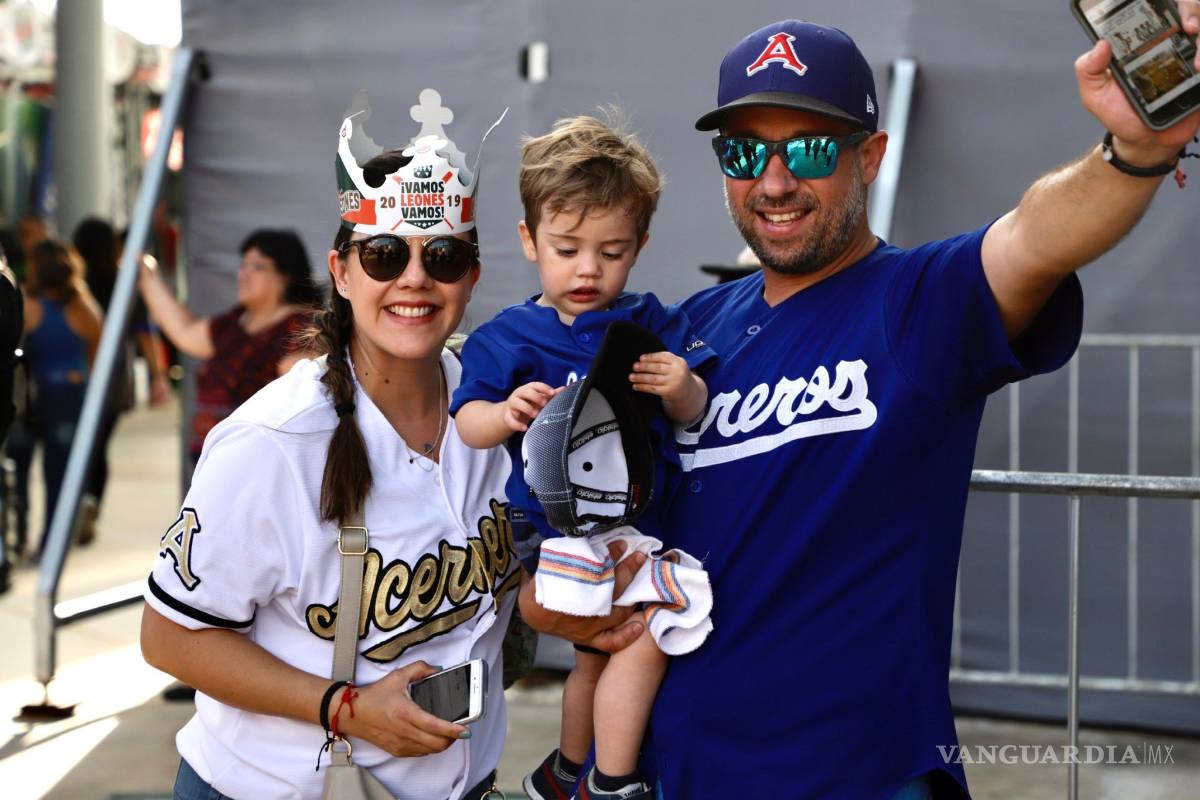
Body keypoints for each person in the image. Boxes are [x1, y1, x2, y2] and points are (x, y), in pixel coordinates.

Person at [519, 17, 1200, 800]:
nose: (773, 181)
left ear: (869, 156)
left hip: (861, 776)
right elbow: (599, 519)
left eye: (808, 149)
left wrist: (1134, 153)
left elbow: (1037, 239)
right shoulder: (686, 331)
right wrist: (554, 603)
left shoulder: (916, 302)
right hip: (675, 772)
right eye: (745, 152)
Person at [139, 89, 518, 800]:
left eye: (441, 255)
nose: (413, 278)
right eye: (383, 254)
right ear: (341, 272)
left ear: (471, 276)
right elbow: (169, 637)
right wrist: (347, 709)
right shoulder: (270, 443)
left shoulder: (497, 413)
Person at [451, 116, 716, 800]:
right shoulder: (510, 336)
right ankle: (611, 781)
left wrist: (681, 387)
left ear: (640, 247)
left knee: (599, 656)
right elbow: (467, 424)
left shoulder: (651, 323)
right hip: (551, 529)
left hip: (634, 526)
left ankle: (566, 773)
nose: (588, 269)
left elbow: (695, 410)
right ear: (529, 241)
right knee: (649, 633)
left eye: (612, 251)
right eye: (566, 249)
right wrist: (505, 413)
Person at [137, 227, 322, 468]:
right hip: (216, 462)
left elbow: (304, 397)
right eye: (243, 265)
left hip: (258, 466)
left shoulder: (300, 328)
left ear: (285, 275)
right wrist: (148, 276)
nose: (243, 274)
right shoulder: (236, 322)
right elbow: (185, 332)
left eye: (256, 267)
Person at [73, 217, 171, 544]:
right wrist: (158, 376)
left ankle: (76, 501)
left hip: (75, 371)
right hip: (114, 374)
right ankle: (91, 502)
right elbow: (145, 334)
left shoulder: (73, 282)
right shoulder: (123, 281)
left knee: (77, 443)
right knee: (99, 443)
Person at [15, 240, 103, 557]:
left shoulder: (27, 303)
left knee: (19, 468)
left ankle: (18, 533)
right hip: (69, 395)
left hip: (29, 398)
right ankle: (53, 540)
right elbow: (97, 352)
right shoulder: (83, 305)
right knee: (60, 473)